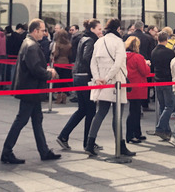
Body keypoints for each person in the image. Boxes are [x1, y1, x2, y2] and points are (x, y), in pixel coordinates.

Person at [1, 19, 62, 164]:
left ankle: (44, 151)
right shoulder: (32, 46)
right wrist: (50, 73)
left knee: (36, 120)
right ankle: (7, 151)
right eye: (42, 30)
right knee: (21, 120)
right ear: (35, 31)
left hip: (31, 89)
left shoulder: (29, 43)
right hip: (30, 89)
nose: (44, 33)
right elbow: (36, 69)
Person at [86, 18, 135, 157]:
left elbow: (93, 62)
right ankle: (121, 145)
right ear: (118, 28)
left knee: (100, 113)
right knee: (117, 115)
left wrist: (98, 79)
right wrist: (107, 79)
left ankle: (90, 143)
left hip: (102, 82)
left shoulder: (99, 41)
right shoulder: (119, 42)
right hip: (116, 81)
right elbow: (118, 63)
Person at [57, 19, 102, 151]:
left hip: (78, 75)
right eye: (99, 29)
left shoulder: (83, 38)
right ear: (92, 29)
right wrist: (96, 70)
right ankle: (88, 142)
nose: (101, 31)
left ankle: (64, 135)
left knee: (83, 109)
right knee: (91, 110)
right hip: (85, 77)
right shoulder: (90, 40)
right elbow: (87, 57)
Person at [151, 31, 175, 140]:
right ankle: (160, 127)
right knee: (170, 105)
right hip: (168, 81)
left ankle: (166, 131)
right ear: (166, 40)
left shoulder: (153, 52)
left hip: (157, 80)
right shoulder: (170, 53)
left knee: (162, 106)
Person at [125, 36, 150, 144]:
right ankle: (131, 135)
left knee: (134, 110)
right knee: (135, 112)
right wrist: (147, 64)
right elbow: (145, 72)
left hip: (129, 86)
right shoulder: (138, 57)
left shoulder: (124, 56)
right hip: (138, 86)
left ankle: (137, 133)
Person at [52, 29, 73, 104]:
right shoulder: (69, 44)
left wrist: (53, 55)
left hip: (58, 63)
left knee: (58, 81)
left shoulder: (58, 44)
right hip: (66, 63)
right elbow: (70, 55)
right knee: (65, 80)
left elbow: (56, 54)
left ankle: (58, 97)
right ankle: (64, 97)